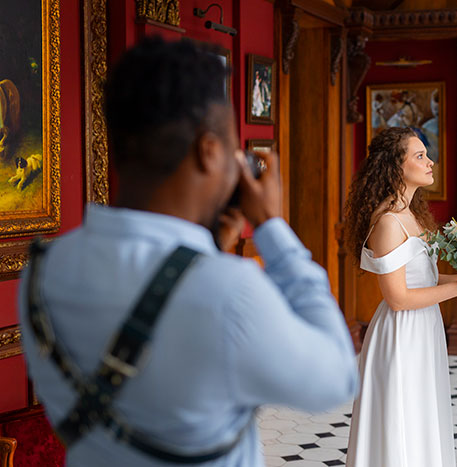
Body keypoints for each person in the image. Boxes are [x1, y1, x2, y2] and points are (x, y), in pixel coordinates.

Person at [18, 37, 357, 467]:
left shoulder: (43, 270)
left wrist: (210, 248)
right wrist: (274, 227)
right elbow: (336, 377)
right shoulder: (229, 291)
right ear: (209, 151)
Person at [344, 126, 457, 467]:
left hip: (423, 327)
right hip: (402, 333)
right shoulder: (388, 222)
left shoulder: (411, 214)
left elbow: (424, 278)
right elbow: (398, 297)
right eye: (420, 156)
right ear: (395, 166)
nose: (430, 162)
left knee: (421, 414)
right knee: (402, 418)